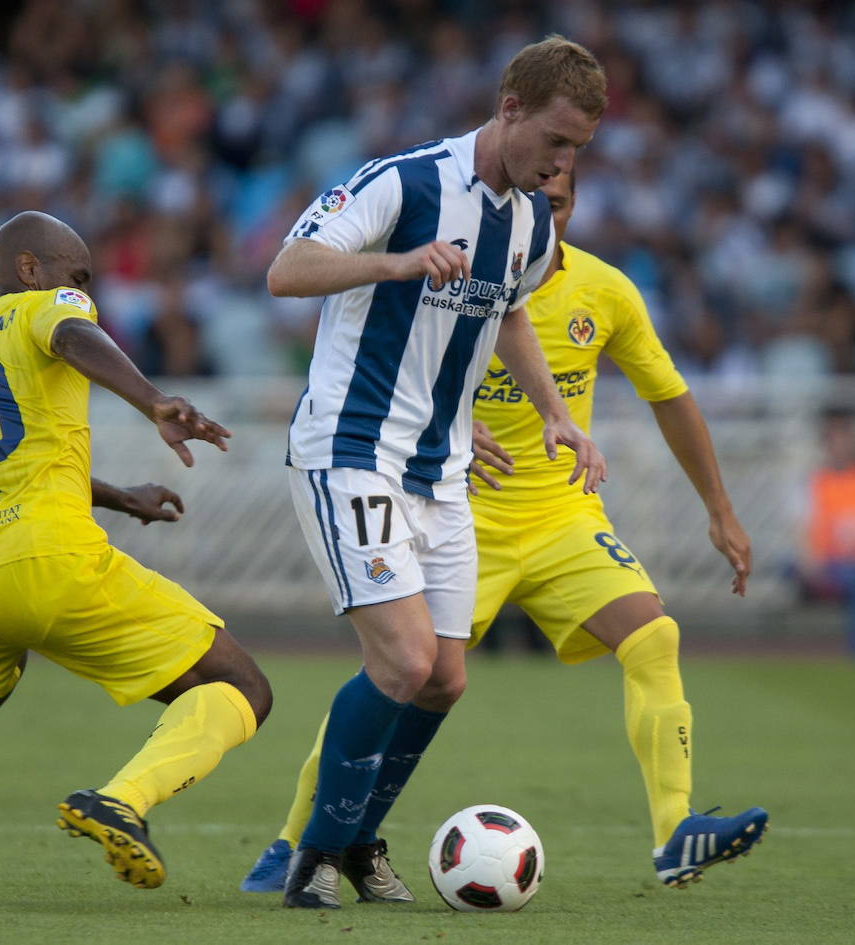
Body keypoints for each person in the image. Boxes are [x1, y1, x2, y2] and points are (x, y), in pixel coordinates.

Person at [244, 166, 768, 899]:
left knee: (654, 635)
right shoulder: (462, 268)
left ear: (572, 206)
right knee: (398, 673)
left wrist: (720, 507)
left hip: (561, 515)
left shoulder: (605, 291)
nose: (541, 218)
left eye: (555, 204)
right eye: (532, 203)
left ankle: (676, 832)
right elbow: (409, 367)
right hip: (463, 508)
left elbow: (669, 395)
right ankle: (293, 842)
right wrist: (455, 420)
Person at [0, 210, 272, 903]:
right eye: (77, 274)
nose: (86, 288)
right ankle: (122, 800)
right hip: (46, 559)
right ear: (29, 270)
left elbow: (5, 460)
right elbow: (74, 334)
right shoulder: (52, 307)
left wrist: (116, 494)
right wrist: (153, 399)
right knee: (241, 685)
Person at [266, 36, 608, 910]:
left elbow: (514, 316)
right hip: (351, 451)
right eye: (557, 142)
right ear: (510, 111)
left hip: (441, 469)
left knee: (446, 677)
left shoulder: (530, 220)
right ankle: (312, 854)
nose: (564, 165)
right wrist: (397, 260)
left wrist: (556, 414)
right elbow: (285, 269)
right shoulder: (403, 181)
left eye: (578, 151)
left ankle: (354, 840)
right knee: (405, 659)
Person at [797, 406, 855, 661]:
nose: (839, 445)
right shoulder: (815, 480)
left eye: (844, 438)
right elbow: (802, 530)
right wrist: (813, 563)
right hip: (827, 564)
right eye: (833, 439)